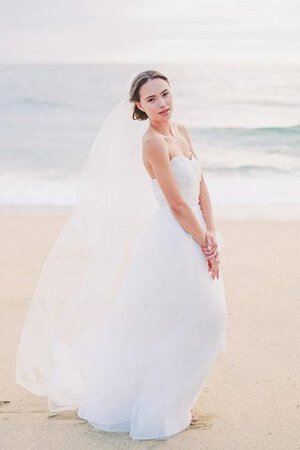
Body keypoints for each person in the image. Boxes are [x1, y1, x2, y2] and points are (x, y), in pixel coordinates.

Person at [15, 69, 227, 441]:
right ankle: (162, 405)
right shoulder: (152, 144)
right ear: (139, 107)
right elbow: (177, 204)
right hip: (173, 240)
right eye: (152, 99)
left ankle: (176, 399)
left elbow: (201, 188)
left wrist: (211, 235)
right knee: (177, 321)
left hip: (197, 235)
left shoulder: (182, 132)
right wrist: (201, 242)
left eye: (165, 94)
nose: (162, 103)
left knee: (203, 320)